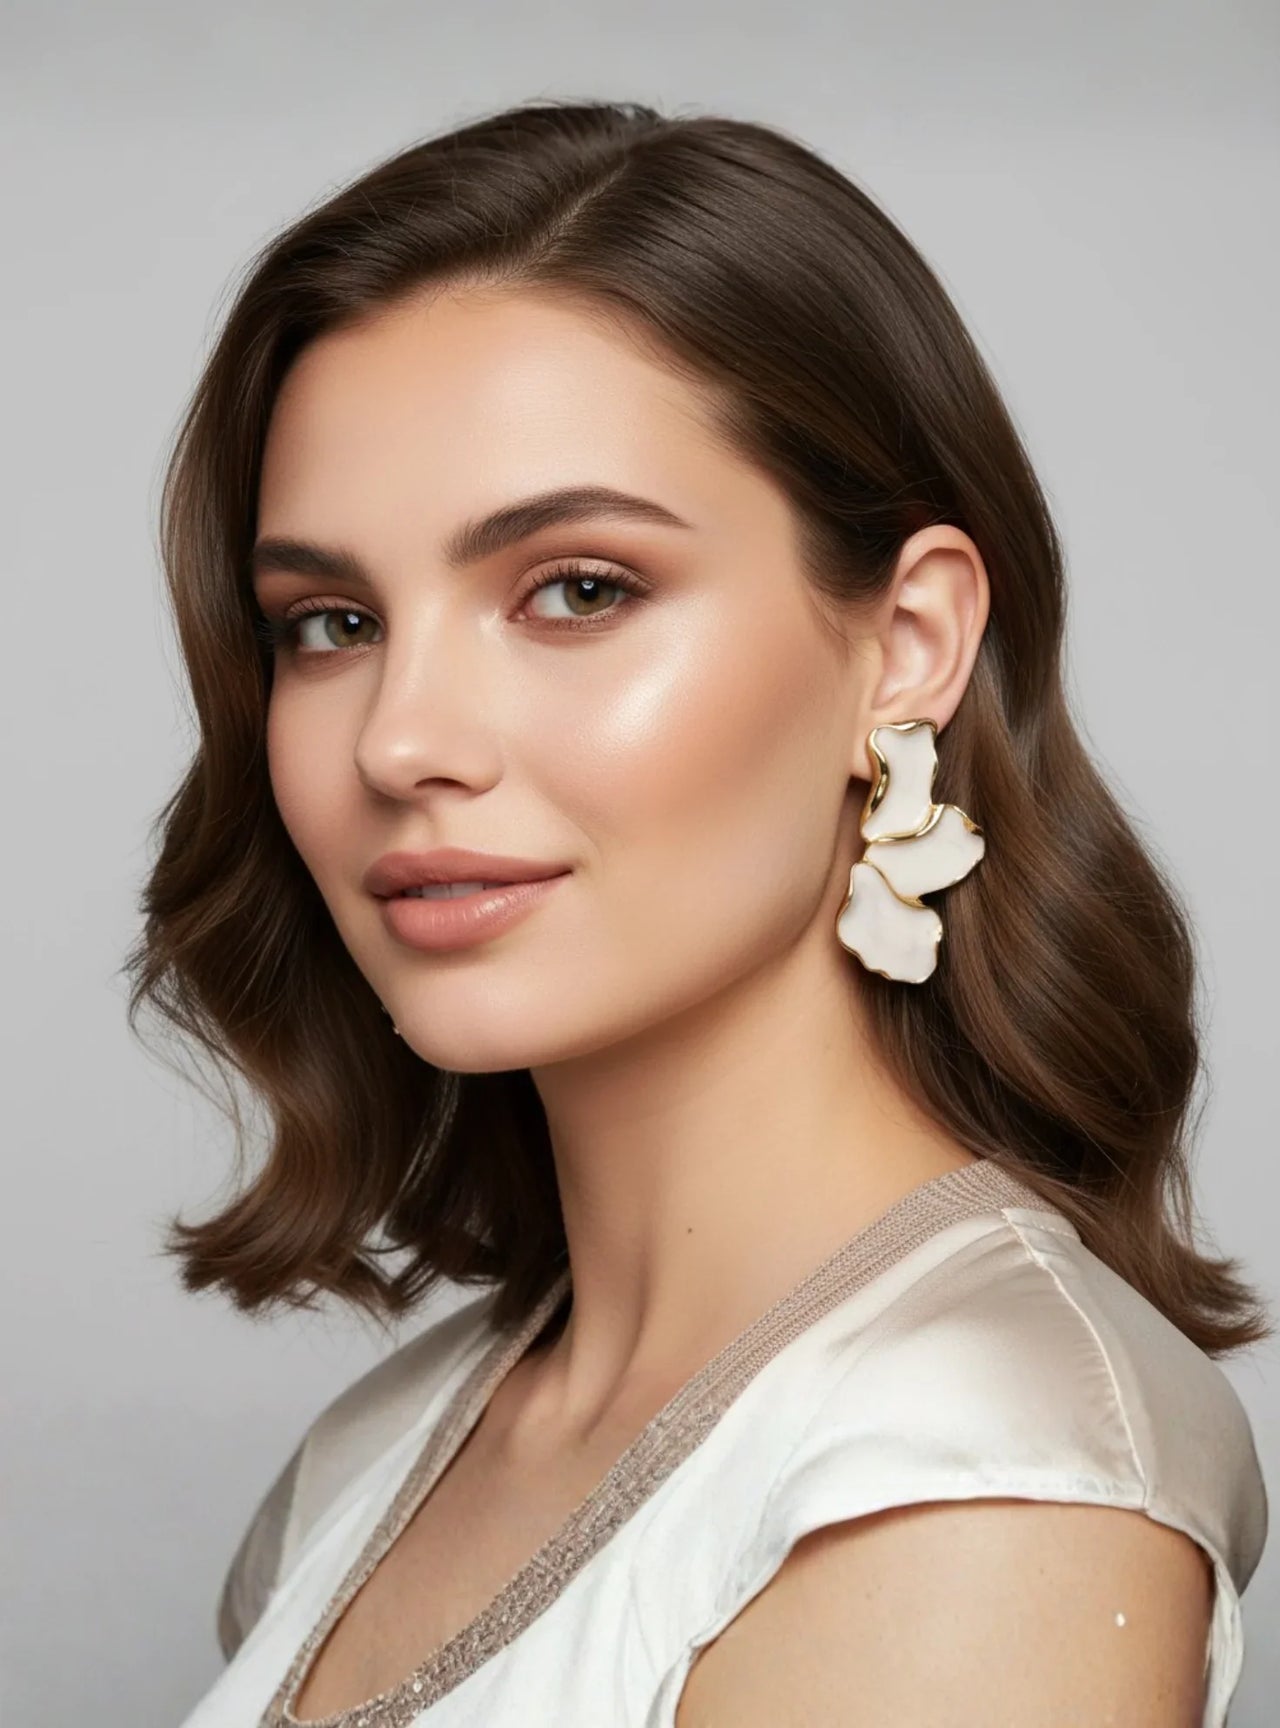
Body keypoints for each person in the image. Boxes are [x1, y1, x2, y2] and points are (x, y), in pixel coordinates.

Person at [128, 97, 1270, 1728]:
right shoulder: (379, 1462)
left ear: (908, 643)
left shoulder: (974, 1483)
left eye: (577, 590)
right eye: (329, 622)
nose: (399, 739)